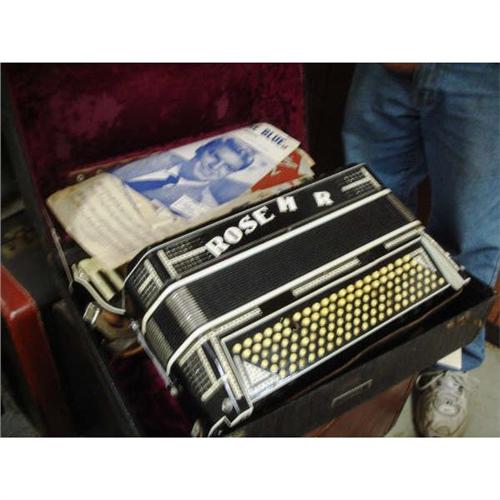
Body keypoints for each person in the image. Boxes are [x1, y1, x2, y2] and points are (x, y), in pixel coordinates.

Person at [342, 63, 500, 437]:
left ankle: (450, 364)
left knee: (468, 231)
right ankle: (375, 343)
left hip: (483, 72)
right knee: (367, 215)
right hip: (386, 60)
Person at [114, 137, 256, 218]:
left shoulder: (205, 208)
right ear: (201, 149)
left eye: (228, 167)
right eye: (215, 156)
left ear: (230, 173)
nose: (215, 166)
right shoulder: (158, 151)